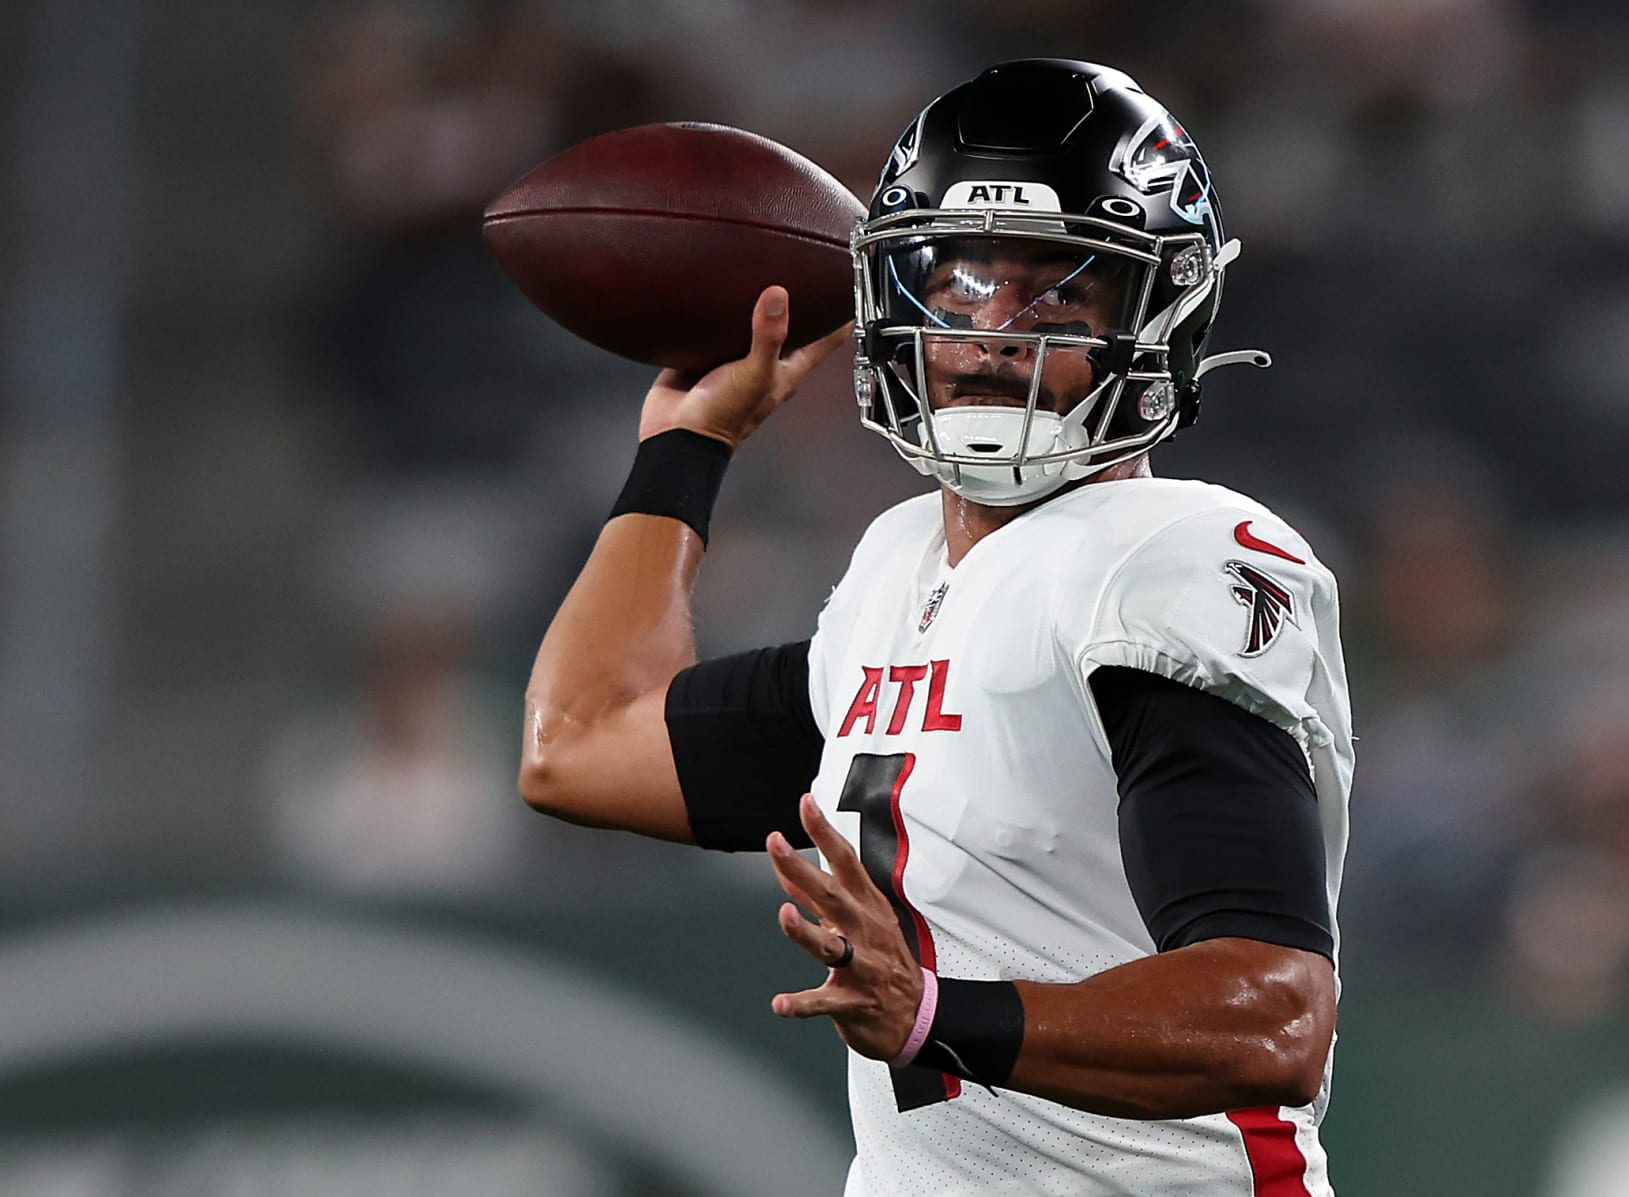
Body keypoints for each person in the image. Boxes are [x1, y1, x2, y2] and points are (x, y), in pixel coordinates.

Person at [521, 59, 1351, 1196]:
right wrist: (685, 446)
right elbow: (577, 743)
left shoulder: (1165, 558)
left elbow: (1274, 1018)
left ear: (1161, 316)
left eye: (1058, 293)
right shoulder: (897, 567)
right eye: (957, 284)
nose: (994, 333)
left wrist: (933, 1017)